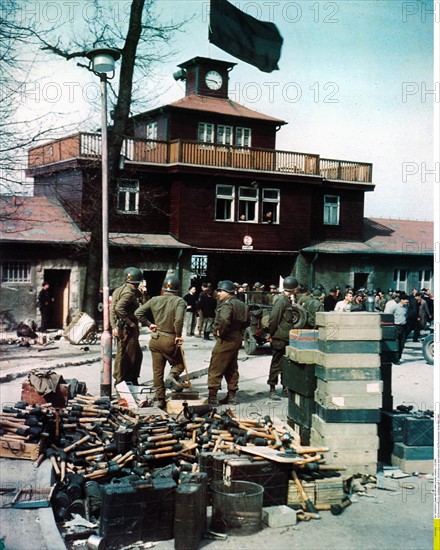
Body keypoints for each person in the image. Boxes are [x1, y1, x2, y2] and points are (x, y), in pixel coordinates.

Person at [135, 275, 186, 410]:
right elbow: (178, 320)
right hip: (170, 339)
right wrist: (178, 335)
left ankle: (160, 400)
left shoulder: (154, 300)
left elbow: (138, 313)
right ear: (177, 289)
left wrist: (149, 324)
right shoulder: (179, 301)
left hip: (155, 339)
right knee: (180, 364)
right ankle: (172, 376)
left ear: (164, 288)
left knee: (157, 372)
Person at [206, 280, 248, 405]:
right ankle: (231, 396)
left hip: (226, 338)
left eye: (220, 291)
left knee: (216, 366)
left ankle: (212, 397)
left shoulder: (226, 304)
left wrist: (220, 332)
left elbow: (224, 319)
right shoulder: (241, 304)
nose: (218, 293)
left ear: (227, 292)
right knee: (231, 367)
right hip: (237, 338)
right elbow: (247, 320)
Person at [110, 267, 146, 386]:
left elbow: (112, 309)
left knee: (133, 353)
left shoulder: (119, 290)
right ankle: (123, 380)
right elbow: (118, 308)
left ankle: (127, 378)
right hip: (128, 327)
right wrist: (129, 322)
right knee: (128, 354)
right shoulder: (129, 293)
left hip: (121, 326)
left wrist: (113, 325)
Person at [267, 275, 299, 400]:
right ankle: (272, 389)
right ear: (292, 289)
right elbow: (273, 319)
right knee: (276, 364)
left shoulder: (286, 300)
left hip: (285, 338)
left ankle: (285, 388)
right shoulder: (281, 301)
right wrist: (271, 334)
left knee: (286, 364)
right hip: (279, 338)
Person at [393, 293, 409, 362]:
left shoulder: (406, 307)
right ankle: (395, 359)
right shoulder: (395, 307)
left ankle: (399, 358)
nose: (407, 301)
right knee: (396, 343)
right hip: (396, 326)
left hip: (404, 327)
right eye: (406, 300)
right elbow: (389, 314)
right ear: (402, 300)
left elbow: (406, 315)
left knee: (402, 344)